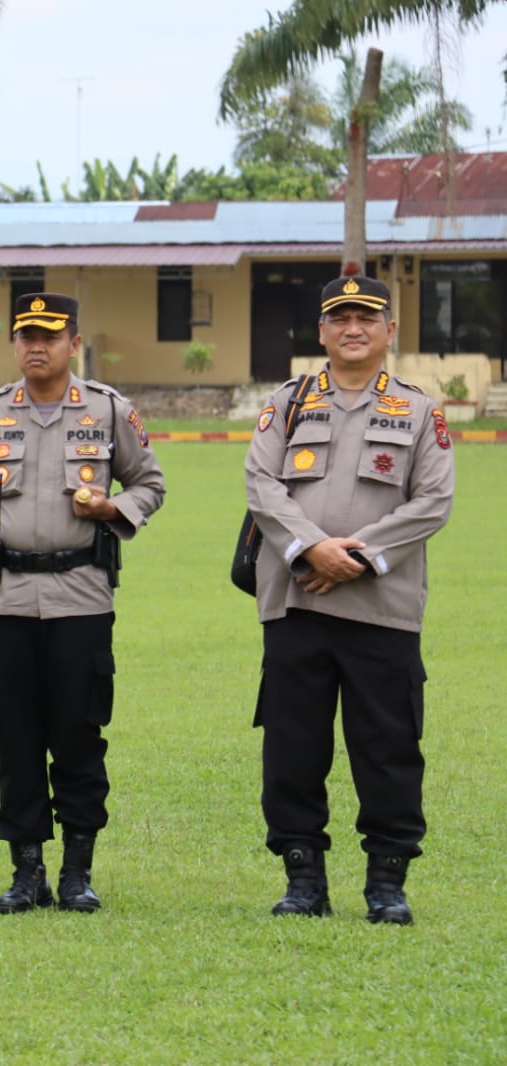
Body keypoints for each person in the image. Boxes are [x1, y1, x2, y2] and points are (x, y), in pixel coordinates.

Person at [0, 293, 165, 914]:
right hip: (1, 601)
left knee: (79, 732)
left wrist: (114, 509)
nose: (36, 345)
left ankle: (77, 872)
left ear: (73, 342)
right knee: (14, 735)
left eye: (50, 335)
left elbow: (151, 483)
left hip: (80, 599)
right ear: (14, 342)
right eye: (26, 334)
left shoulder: (110, 410)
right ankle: (26, 870)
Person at [243, 275, 454, 925]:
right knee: (291, 748)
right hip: (296, 603)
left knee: (387, 747)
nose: (352, 328)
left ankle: (386, 882)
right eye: (340, 318)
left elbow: (432, 501)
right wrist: (311, 549)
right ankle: (302, 878)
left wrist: (351, 555)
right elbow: (260, 483)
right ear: (322, 332)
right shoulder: (287, 403)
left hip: (381, 609)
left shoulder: (419, 412)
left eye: (366, 317)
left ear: (389, 330)